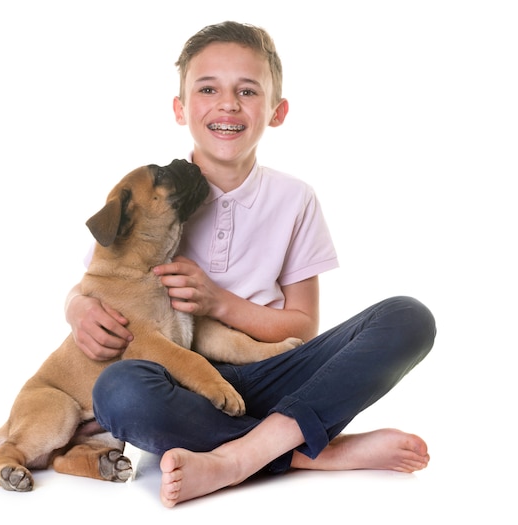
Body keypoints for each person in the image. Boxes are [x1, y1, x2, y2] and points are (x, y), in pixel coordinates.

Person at [64, 21, 436, 508]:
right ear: (180, 108)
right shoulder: (151, 195)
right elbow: (99, 283)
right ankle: (306, 452)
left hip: (272, 370)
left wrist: (219, 301)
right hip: (182, 388)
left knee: (409, 318)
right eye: (208, 88)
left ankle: (238, 456)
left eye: (247, 90)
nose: (228, 104)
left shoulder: (295, 199)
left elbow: (302, 328)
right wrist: (75, 308)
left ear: (276, 112)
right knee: (119, 390)